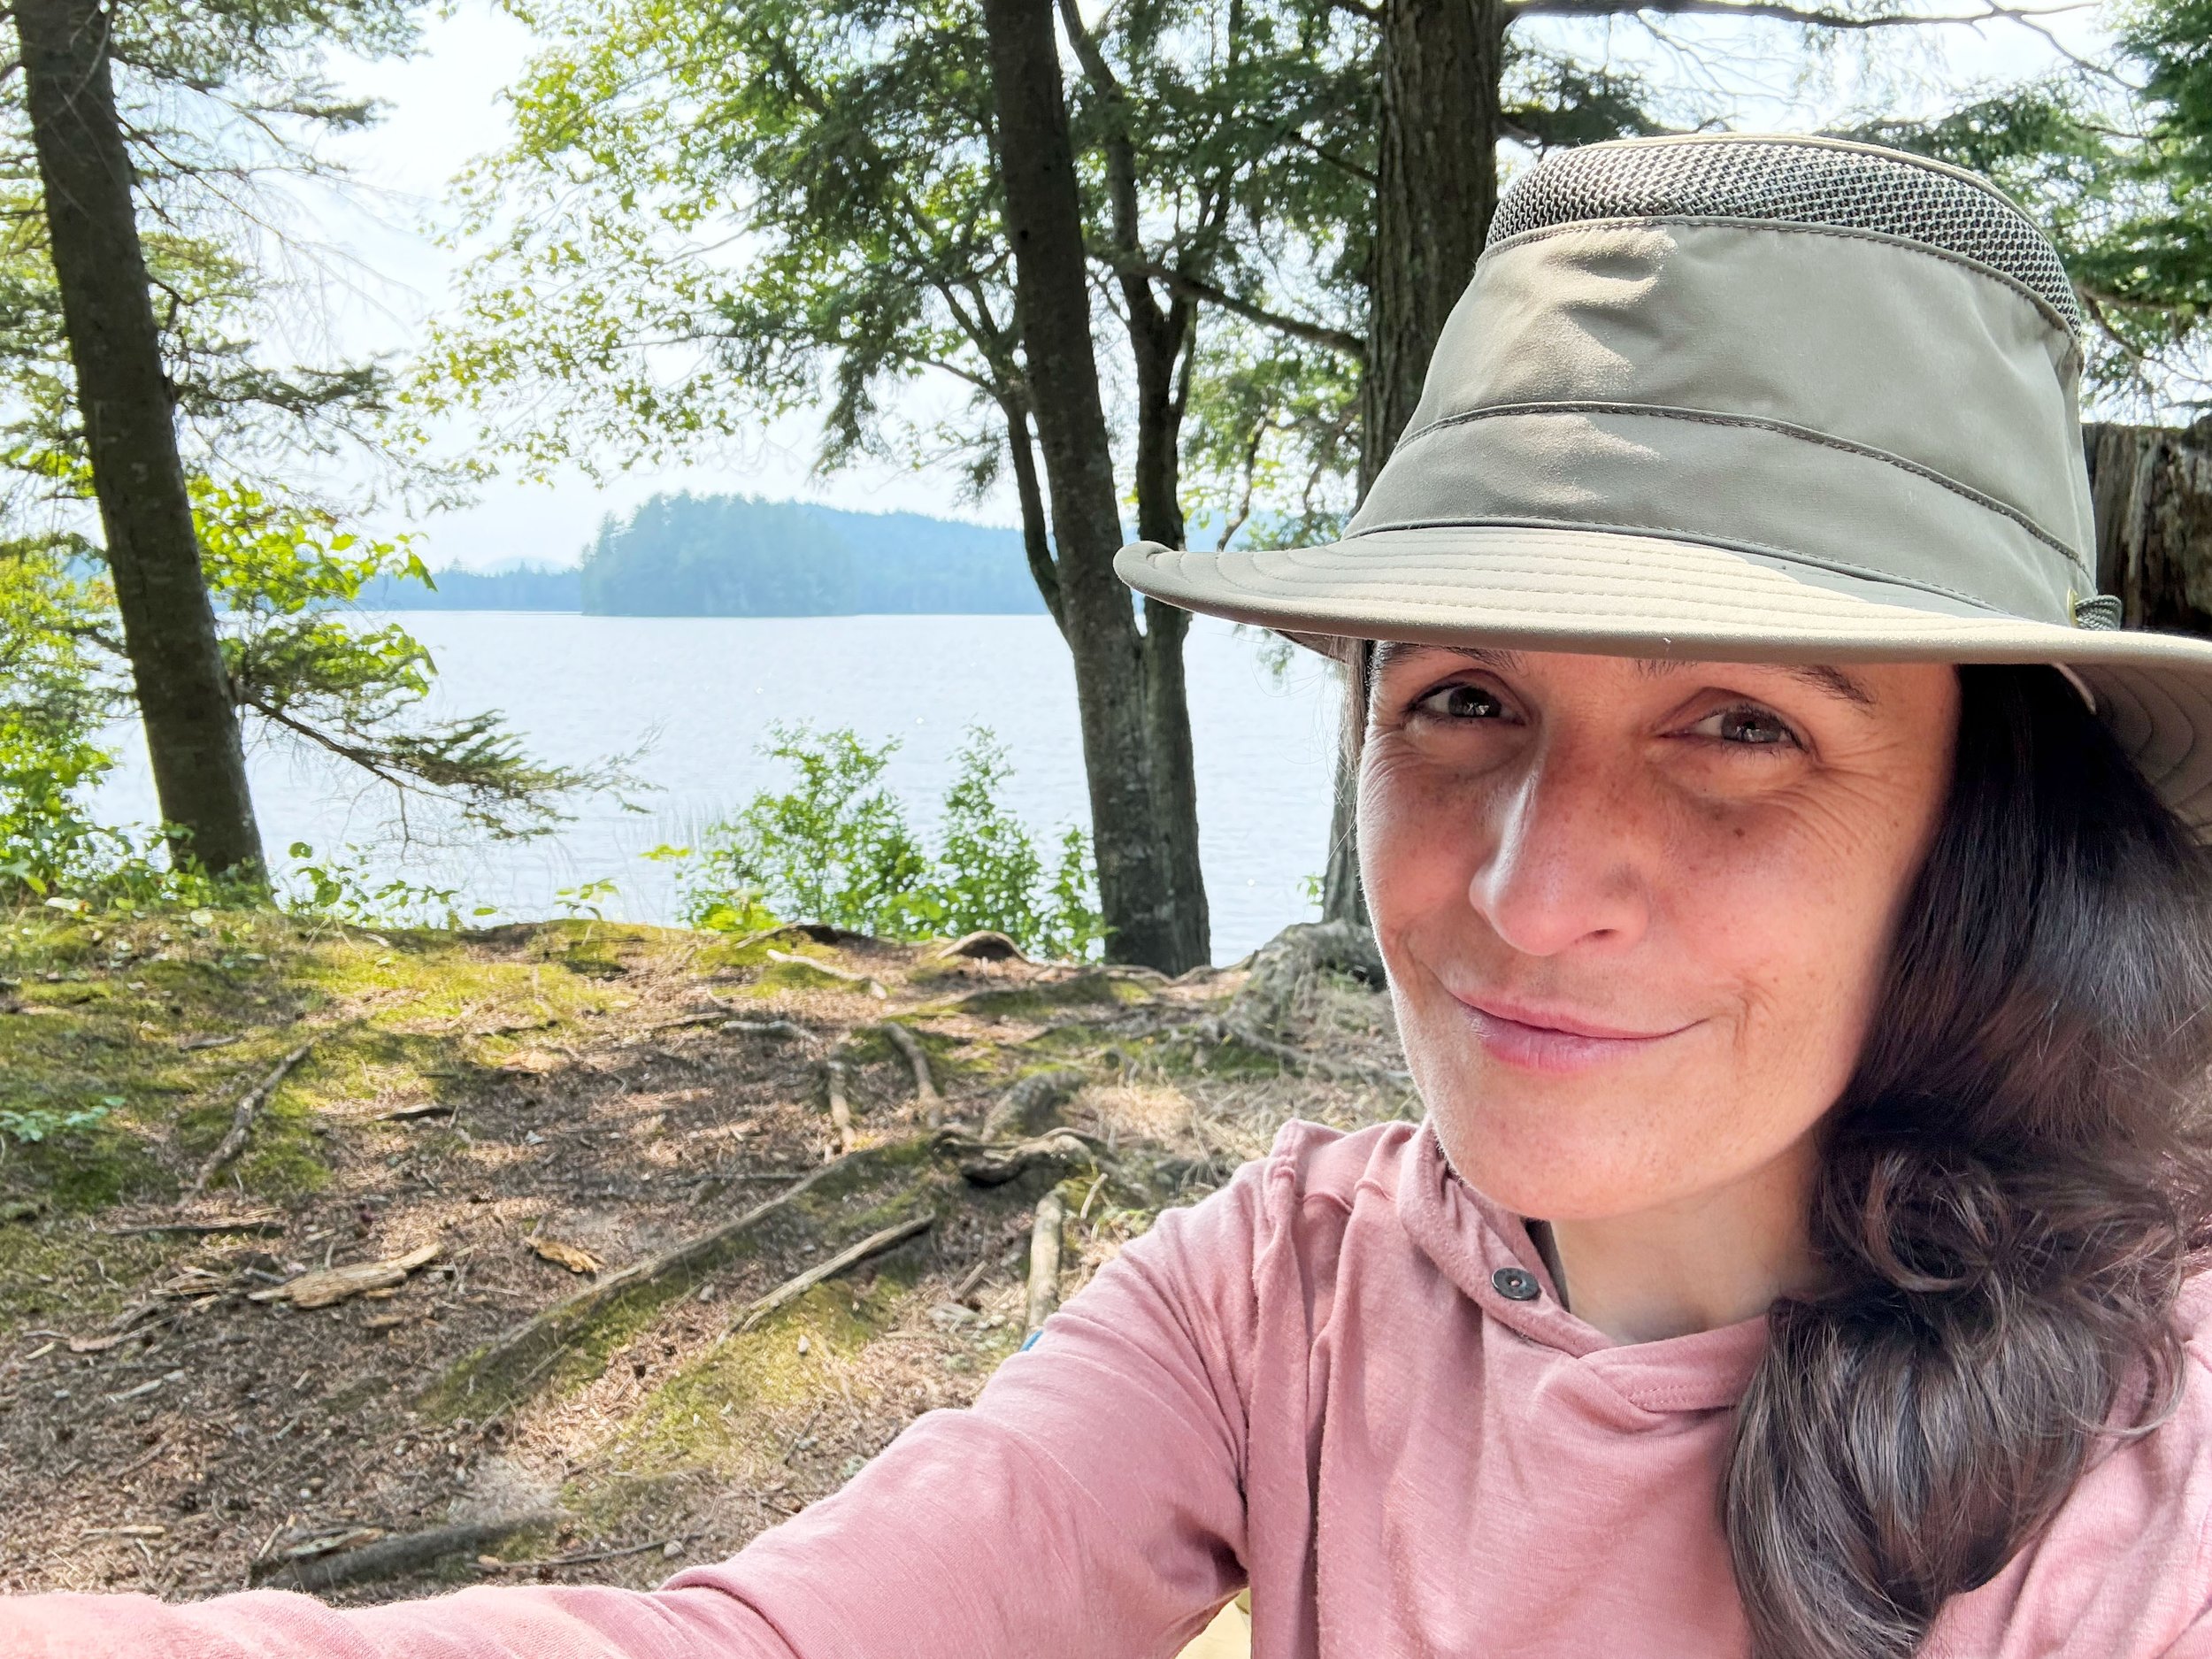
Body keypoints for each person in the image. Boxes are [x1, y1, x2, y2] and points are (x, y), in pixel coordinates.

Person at [13, 131, 2212, 1659]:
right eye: (1456, 696)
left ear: (1977, 822)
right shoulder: (1293, 1287)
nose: (1530, 892)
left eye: (1738, 724)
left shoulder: (2150, 1446)